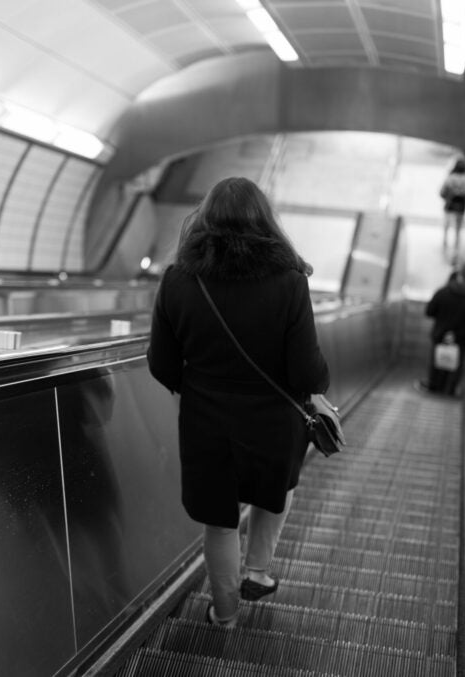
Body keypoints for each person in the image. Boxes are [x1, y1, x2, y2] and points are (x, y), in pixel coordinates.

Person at [147, 177, 330, 628]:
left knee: (219, 520)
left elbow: (161, 363)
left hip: (207, 420)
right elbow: (308, 373)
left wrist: (198, 389)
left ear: (204, 221)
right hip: (272, 418)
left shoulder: (177, 280)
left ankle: (224, 613)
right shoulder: (289, 282)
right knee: (273, 492)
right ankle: (258, 572)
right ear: (265, 221)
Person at [417, 260, 465, 396]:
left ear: (459, 273)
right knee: (455, 367)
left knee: (437, 363)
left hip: (440, 335)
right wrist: (457, 334)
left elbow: (429, 311)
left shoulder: (443, 292)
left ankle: (434, 388)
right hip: (461, 341)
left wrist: (444, 324)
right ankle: (449, 391)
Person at [439, 159, 465, 260]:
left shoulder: (450, 178)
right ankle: (456, 248)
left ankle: (445, 242)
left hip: (450, 205)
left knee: (446, 224)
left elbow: (442, 193)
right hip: (461, 206)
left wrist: (449, 195)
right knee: (458, 228)